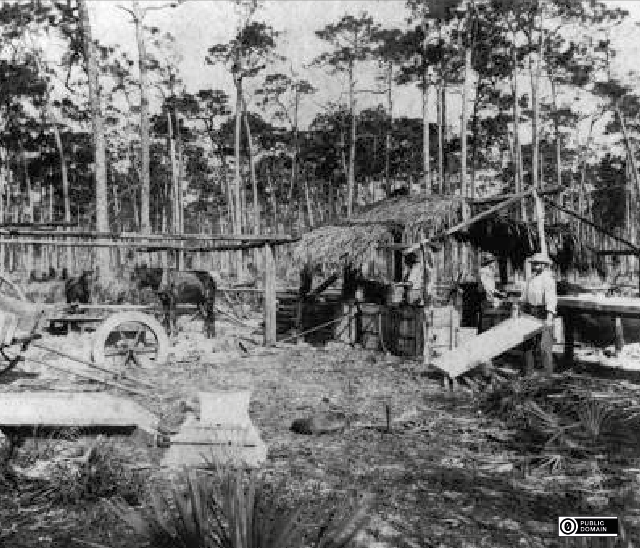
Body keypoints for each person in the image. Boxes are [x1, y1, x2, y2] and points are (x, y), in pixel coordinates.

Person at [520, 252, 557, 374]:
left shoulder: (548, 279)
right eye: (534, 263)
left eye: (538, 264)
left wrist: (549, 317)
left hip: (543, 312)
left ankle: (547, 374)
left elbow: (551, 299)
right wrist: (521, 309)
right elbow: (524, 297)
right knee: (528, 344)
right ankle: (527, 373)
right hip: (530, 312)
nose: (536, 266)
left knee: (544, 346)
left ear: (544, 265)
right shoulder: (530, 279)